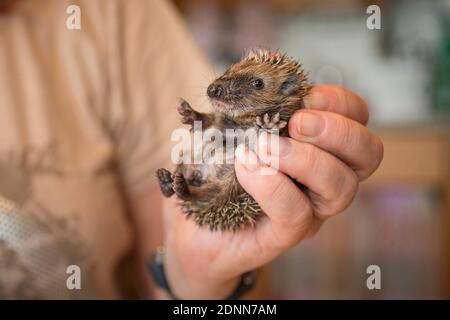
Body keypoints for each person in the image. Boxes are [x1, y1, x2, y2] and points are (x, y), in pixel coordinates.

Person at [0, 0, 383, 299]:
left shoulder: (113, 16)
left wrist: (197, 284)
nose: (218, 89)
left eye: (248, 86)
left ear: (283, 96)